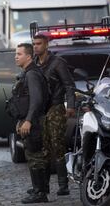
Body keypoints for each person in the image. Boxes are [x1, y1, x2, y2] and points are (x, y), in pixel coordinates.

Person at [33, 34, 75, 196]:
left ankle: (63, 185)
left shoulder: (57, 63)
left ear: (46, 45)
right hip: (41, 110)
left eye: (39, 44)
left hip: (56, 108)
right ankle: (43, 186)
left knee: (58, 146)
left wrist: (70, 106)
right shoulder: (35, 64)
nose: (36, 46)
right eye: (34, 44)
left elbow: (69, 85)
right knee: (43, 148)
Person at [8, 43, 50, 204]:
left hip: (34, 122)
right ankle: (39, 188)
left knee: (35, 156)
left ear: (28, 56)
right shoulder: (27, 73)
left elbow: (37, 99)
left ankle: (40, 193)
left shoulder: (32, 74)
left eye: (19, 54)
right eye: (16, 54)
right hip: (31, 119)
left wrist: (28, 121)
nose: (16, 56)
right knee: (33, 154)